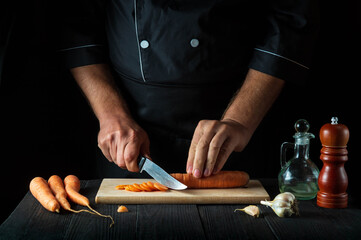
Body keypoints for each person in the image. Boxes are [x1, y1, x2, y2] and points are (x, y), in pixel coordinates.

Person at [58, 0, 319, 178]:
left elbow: (289, 18)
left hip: (234, 137)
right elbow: (76, 23)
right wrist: (110, 114)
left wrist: (239, 121)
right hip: (127, 141)